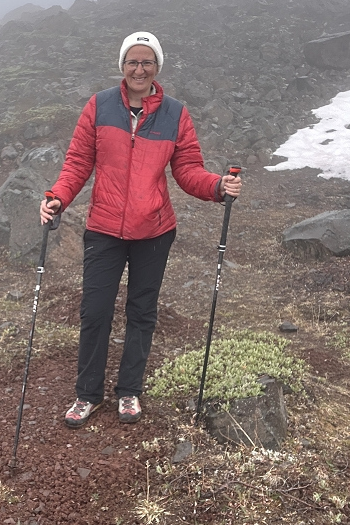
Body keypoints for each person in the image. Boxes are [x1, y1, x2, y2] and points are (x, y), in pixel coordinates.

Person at [40, 31, 242, 428]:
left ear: (157, 67)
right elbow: (78, 162)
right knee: (94, 312)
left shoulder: (175, 113)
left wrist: (217, 186)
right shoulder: (99, 106)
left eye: (147, 61)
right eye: (132, 61)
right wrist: (58, 197)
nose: (139, 68)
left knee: (142, 312)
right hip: (104, 229)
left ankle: (129, 391)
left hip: (154, 230)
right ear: (122, 66)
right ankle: (87, 395)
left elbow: (187, 170)